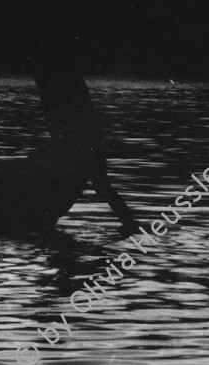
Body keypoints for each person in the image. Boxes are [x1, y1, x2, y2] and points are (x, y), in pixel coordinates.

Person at [34, 66, 140, 237]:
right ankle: (129, 223)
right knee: (99, 184)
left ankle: (129, 223)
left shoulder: (58, 79)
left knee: (98, 184)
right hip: (84, 140)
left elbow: (59, 116)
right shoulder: (60, 79)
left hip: (84, 141)